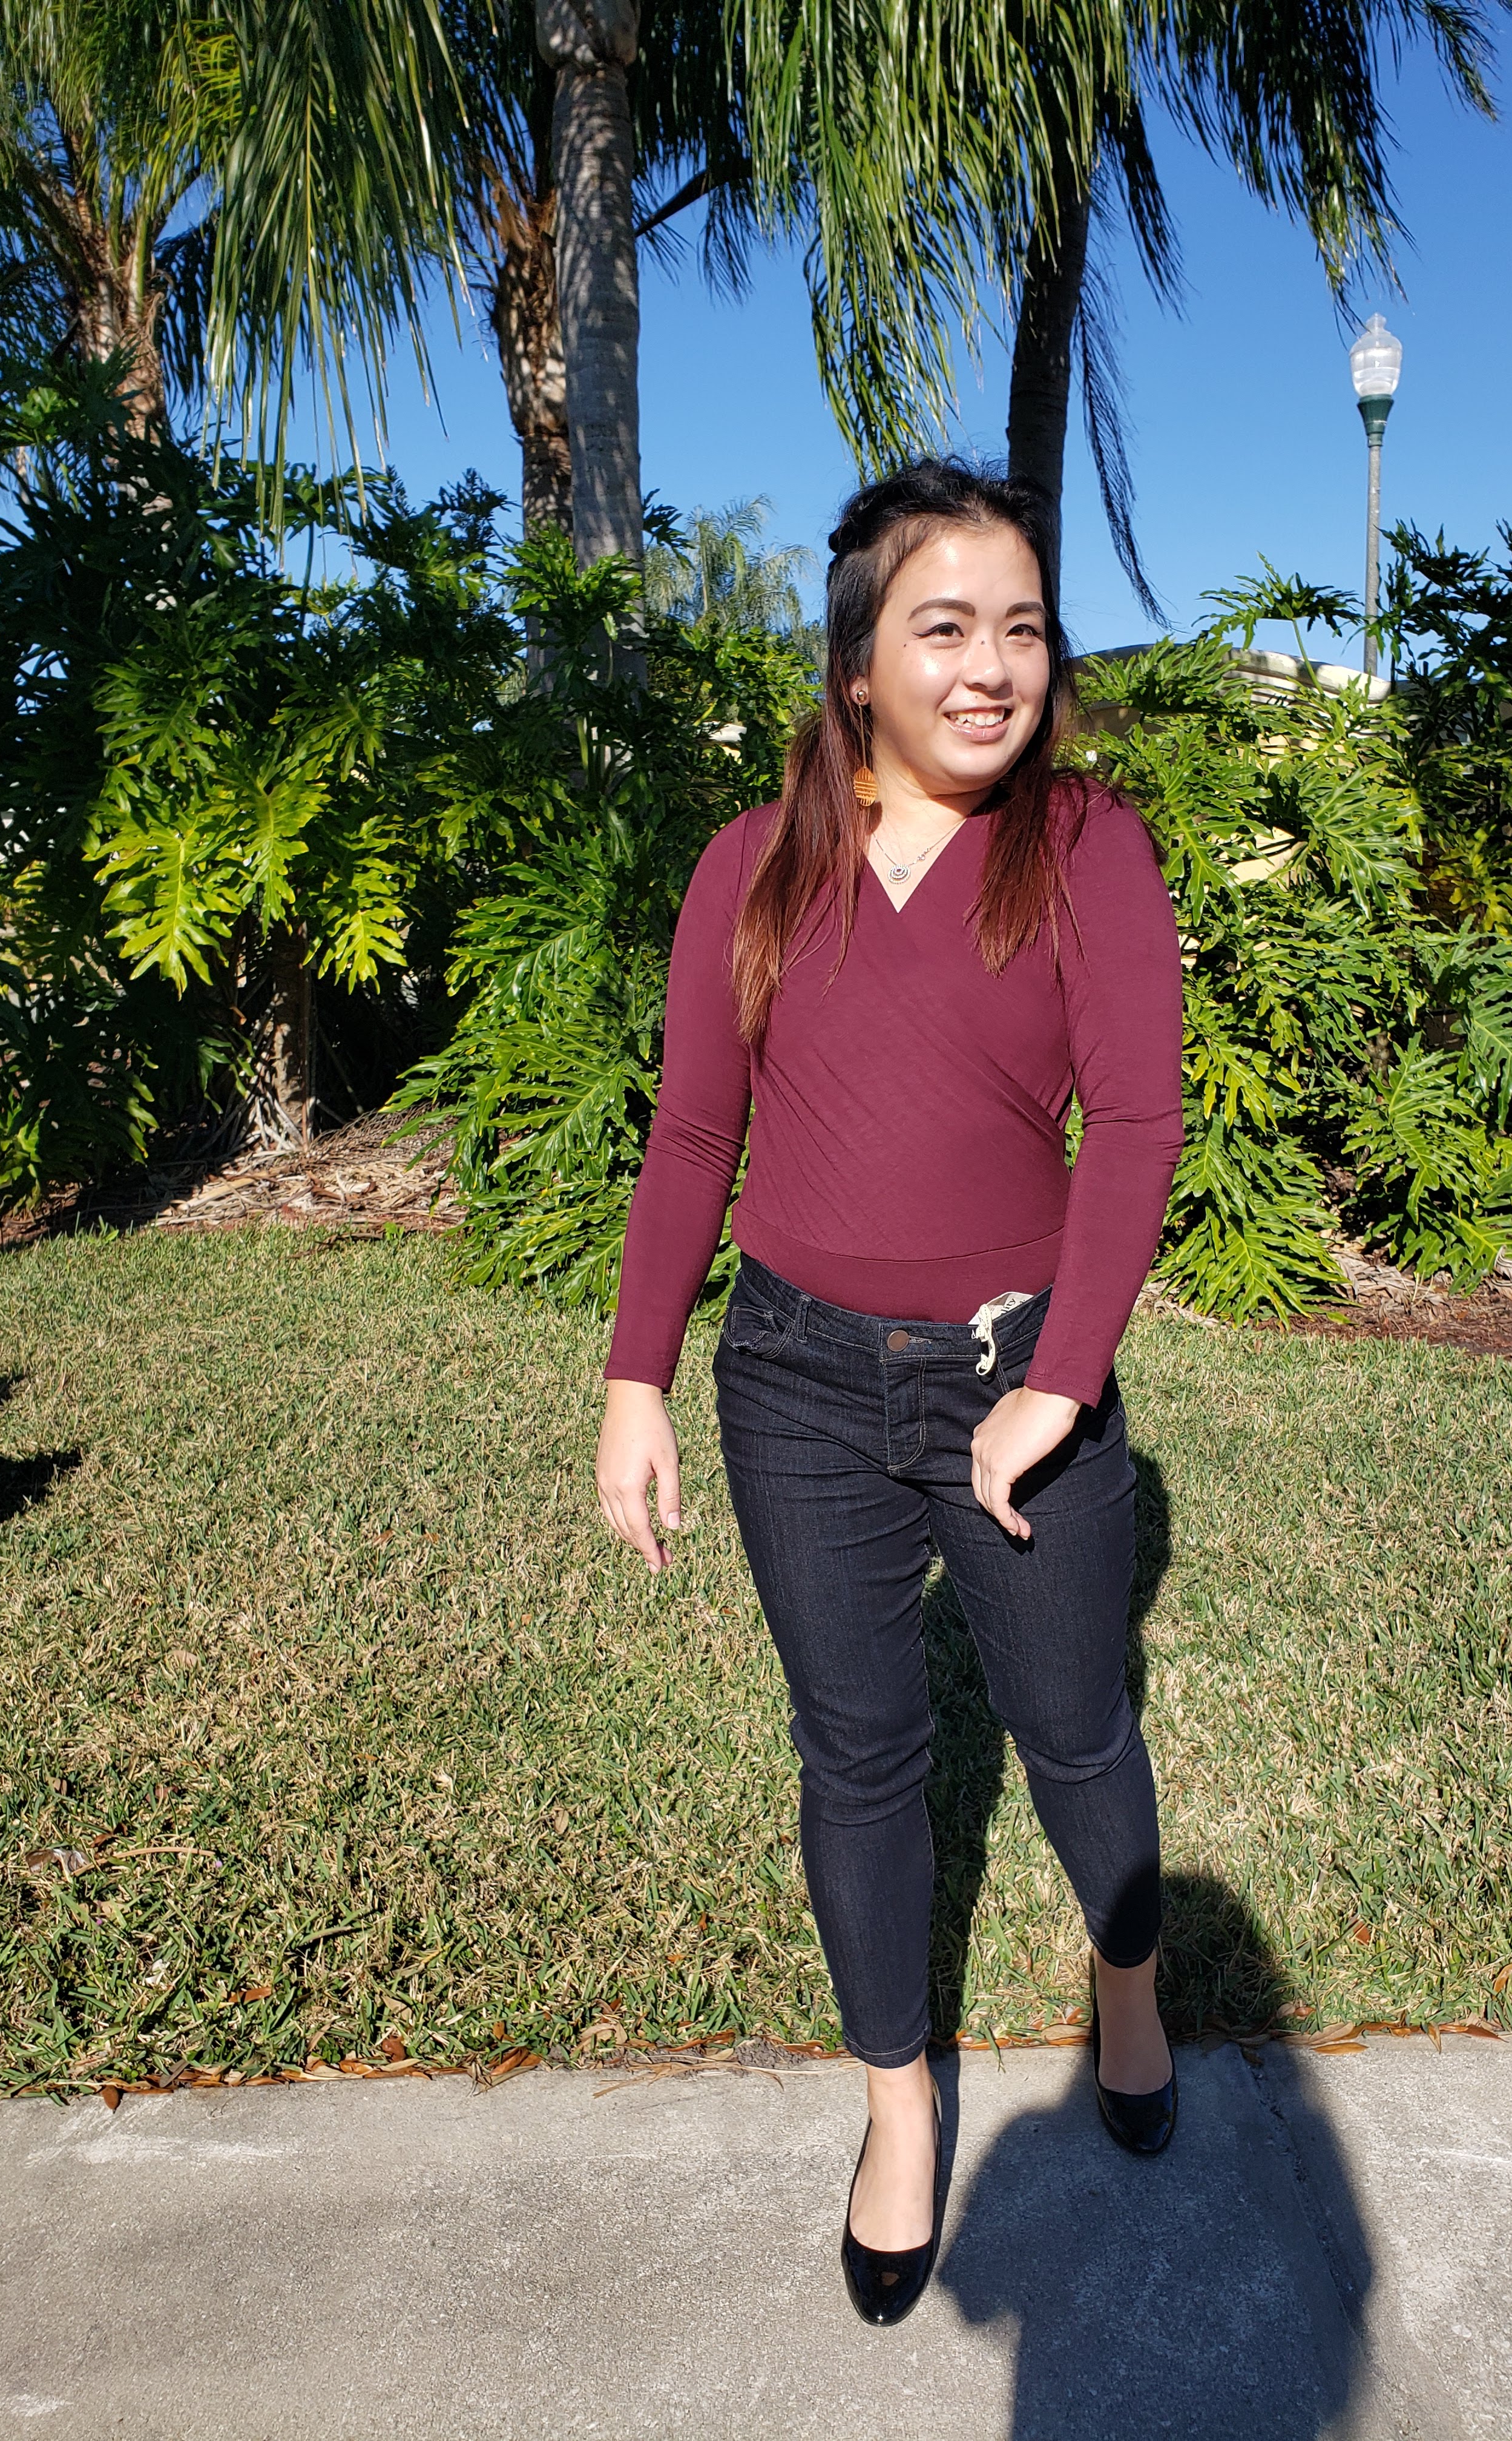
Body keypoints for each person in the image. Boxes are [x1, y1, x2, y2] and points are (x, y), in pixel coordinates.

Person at [596, 458, 1186, 2327]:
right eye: (947, 627)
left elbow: (1138, 1125)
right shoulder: (756, 863)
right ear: (861, 662)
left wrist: (1060, 1385)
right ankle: (898, 2111)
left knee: (1076, 1725)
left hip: (1018, 1380)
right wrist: (637, 1380)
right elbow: (696, 1132)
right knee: (859, 1752)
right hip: (793, 1379)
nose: (993, 666)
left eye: (1022, 626)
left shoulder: (1086, 844)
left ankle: (1128, 1985)